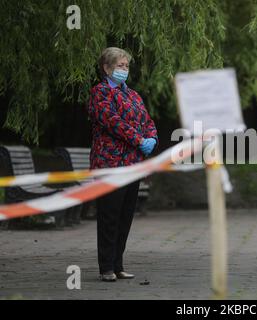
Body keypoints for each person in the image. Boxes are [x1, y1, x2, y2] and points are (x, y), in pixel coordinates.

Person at [88, 47, 158, 282]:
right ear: (106, 68)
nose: (124, 70)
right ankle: (106, 267)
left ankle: (118, 265)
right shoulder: (100, 93)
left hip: (132, 164)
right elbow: (112, 121)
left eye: (126, 66)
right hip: (110, 164)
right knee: (109, 215)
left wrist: (152, 138)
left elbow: (146, 120)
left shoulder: (133, 95)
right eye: (119, 66)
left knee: (126, 216)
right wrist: (139, 139)